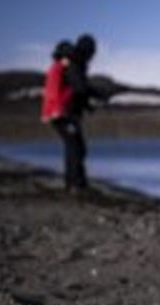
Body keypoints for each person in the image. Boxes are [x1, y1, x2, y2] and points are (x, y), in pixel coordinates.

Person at [43, 34, 105, 192]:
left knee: (76, 147)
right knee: (75, 147)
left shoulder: (71, 62)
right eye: (92, 51)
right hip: (63, 112)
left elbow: (75, 89)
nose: (93, 55)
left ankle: (76, 183)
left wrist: (87, 105)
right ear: (87, 50)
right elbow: (79, 88)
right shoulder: (74, 63)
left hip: (60, 112)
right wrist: (98, 95)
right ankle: (75, 185)